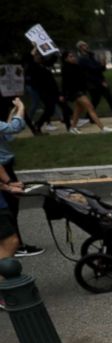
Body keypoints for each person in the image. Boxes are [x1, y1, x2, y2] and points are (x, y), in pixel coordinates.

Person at [1, 97, 41, 259]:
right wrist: (21, 107)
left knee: (12, 205)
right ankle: (14, 244)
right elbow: (14, 128)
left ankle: (14, 242)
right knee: (9, 207)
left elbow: (8, 135)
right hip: (4, 169)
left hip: (5, 169)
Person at [61, 51, 112, 135]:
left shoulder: (76, 66)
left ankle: (73, 127)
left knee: (78, 110)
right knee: (90, 107)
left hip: (81, 91)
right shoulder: (66, 69)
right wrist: (63, 94)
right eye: (70, 56)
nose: (73, 58)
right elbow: (64, 83)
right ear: (66, 59)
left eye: (73, 56)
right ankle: (102, 128)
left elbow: (86, 76)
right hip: (75, 92)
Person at [77, 41, 112, 123]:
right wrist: (100, 80)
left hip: (99, 81)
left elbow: (100, 69)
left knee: (102, 99)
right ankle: (90, 117)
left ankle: (89, 117)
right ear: (80, 48)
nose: (87, 46)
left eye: (86, 45)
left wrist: (103, 64)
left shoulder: (90, 56)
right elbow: (92, 70)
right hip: (93, 83)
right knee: (101, 99)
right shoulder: (82, 59)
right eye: (84, 45)